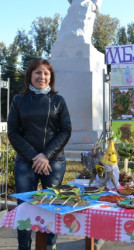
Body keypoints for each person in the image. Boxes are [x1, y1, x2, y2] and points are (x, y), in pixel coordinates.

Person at [7, 58, 72, 250]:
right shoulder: (18, 100)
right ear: (30, 76)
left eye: (45, 73)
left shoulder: (58, 101)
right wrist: (35, 156)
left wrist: (45, 155)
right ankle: (24, 247)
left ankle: (49, 245)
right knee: (24, 207)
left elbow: (65, 130)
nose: (41, 76)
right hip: (25, 163)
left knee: (51, 206)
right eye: (37, 72)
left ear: (50, 77)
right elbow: (13, 132)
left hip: (54, 162)